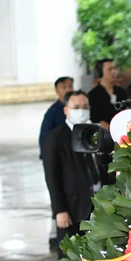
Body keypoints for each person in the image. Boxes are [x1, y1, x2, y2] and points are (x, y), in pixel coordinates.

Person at [42, 90, 114, 240]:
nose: (81, 111)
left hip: (99, 206)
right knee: (72, 251)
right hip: (73, 209)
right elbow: (52, 176)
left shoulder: (97, 132)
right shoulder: (55, 137)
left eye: (85, 107)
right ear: (66, 110)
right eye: (76, 107)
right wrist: (59, 210)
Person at [87, 59, 128, 129]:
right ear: (100, 72)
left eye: (114, 68)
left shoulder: (121, 91)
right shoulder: (93, 94)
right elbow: (93, 116)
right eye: (109, 69)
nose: (114, 72)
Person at [38, 76, 74, 156]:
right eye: (64, 87)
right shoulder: (52, 112)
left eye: (70, 86)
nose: (68, 90)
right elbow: (44, 137)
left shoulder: (76, 108)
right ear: (57, 91)